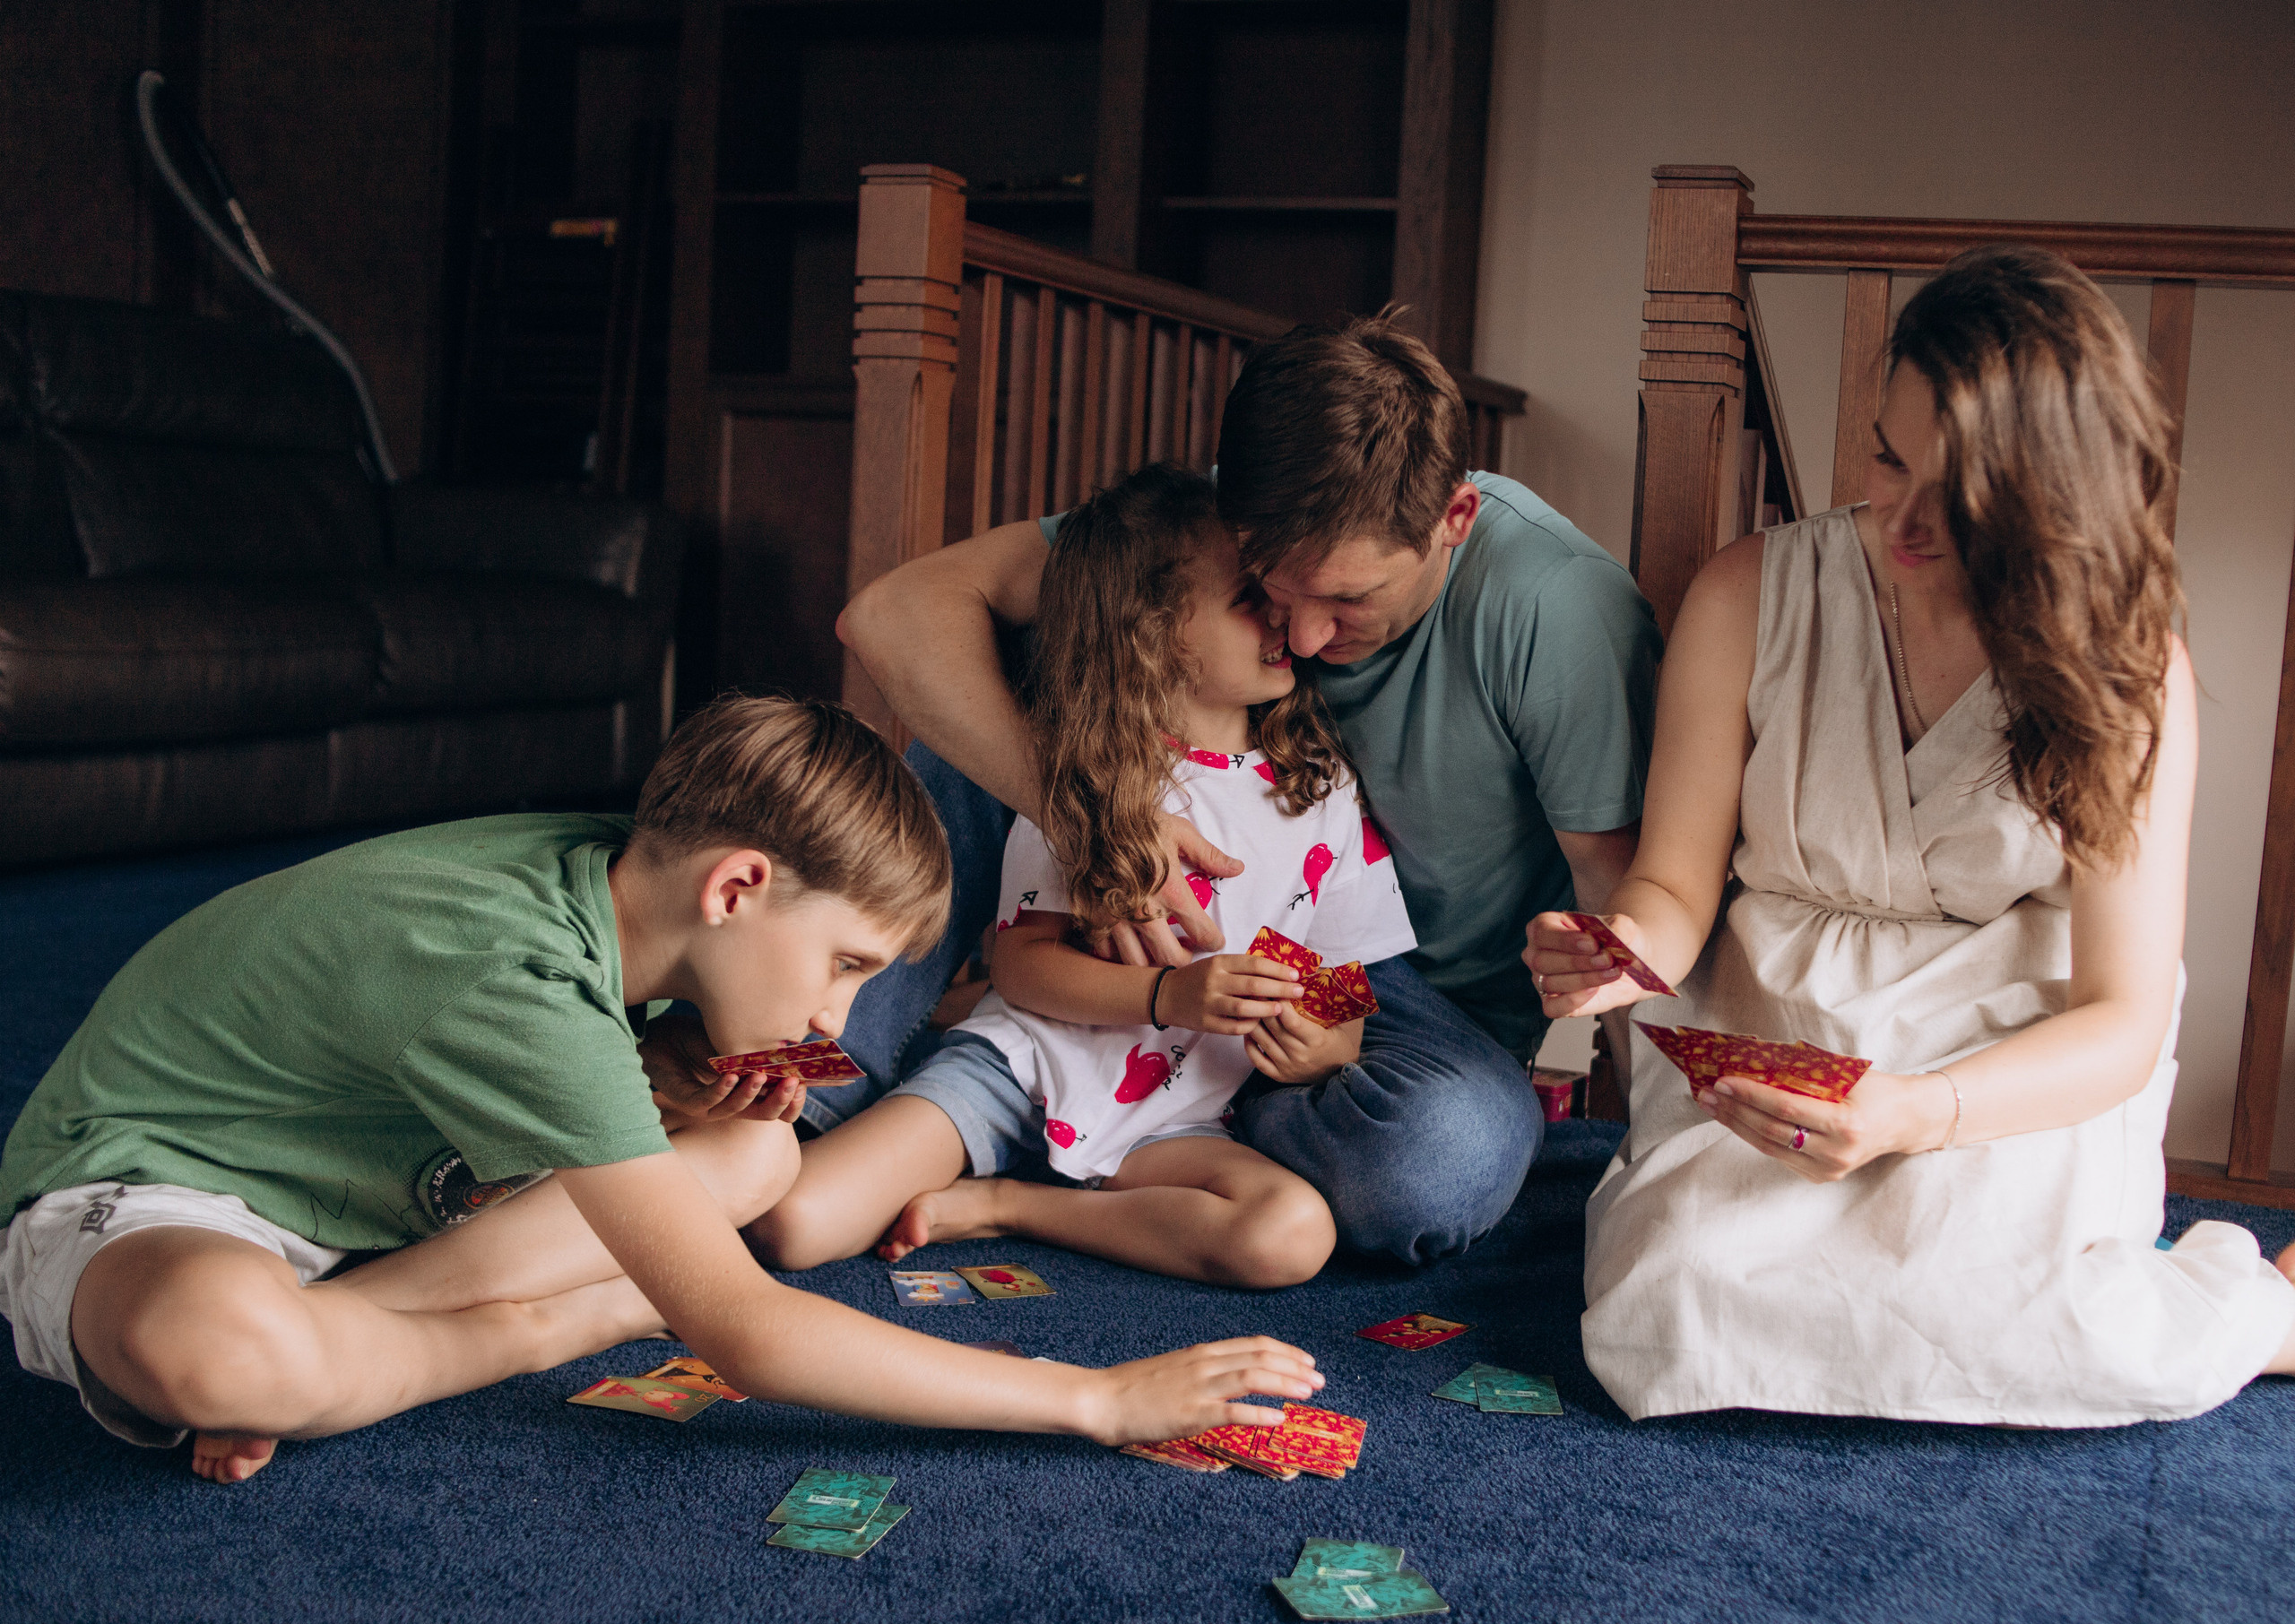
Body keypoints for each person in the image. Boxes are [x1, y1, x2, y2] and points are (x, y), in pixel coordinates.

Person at [0, 696, 1322, 1483]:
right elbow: (747, 1331)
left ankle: (337, 1342)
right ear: (739, 885)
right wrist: (1095, 1397)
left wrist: (667, 1067)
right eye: (847, 964)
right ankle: (493, 1330)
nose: (837, 1016)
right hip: (150, 1193)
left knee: (758, 1158)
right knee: (220, 1350)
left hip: (369, 1198)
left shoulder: (608, 883)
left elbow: (526, 1064)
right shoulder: (503, 967)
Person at [1526, 245, 2295, 1425]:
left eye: (1963, 485)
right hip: (1779, 1020)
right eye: (1888, 455)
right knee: (1665, 1316)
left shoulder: (2131, 669)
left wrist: (1914, 1110)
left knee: (2063, 1336)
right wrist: (1621, 946)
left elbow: (2124, 1016)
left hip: (1999, 1056)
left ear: (2054, 485)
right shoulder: (1749, 595)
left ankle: (2260, 1307)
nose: (1905, 514)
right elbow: (1676, 885)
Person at [828, 314, 1663, 1264]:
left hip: (1393, 994)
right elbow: (892, 617)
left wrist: (1662, 1148)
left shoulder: (1557, 606)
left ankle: (1155, 1122)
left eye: (1347, 601)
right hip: (1160, 913)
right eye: (1268, 587)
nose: (1304, 641)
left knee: (1439, 1161)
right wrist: (1094, 822)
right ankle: (814, 1074)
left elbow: (1618, 895)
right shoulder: (1211, 526)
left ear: (1454, 523)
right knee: (1002, 668)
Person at [733, 467, 1413, 1287]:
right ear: (1155, 631)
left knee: (1290, 1236)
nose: (1288, 619)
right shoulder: (1094, 775)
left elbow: (1343, 995)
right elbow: (1020, 967)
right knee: (793, 1223)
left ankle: (1005, 1205)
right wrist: (1170, 998)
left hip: (1176, 1121)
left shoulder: (1324, 792)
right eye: (1250, 599)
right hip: (1016, 1069)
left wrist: (1322, 1050)